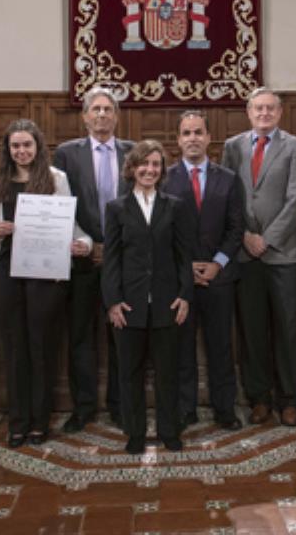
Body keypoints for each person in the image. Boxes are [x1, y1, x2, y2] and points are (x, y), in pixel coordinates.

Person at [0, 119, 90, 447]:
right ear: (8, 149)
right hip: (3, 271)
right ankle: (18, 423)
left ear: (38, 146)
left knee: (40, 348)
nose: (22, 151)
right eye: (16, 146)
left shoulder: (56, 179)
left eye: (27, 145)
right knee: (15, 349)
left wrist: (82, 245)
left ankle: (40, 422)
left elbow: (70, 226)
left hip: (45, 272)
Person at [221, 87, 296, 427]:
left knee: (288, 330)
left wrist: (267, 239)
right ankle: (259, 399)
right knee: (252, 330)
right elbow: (227, 197)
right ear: (249, 112)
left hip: (283, 254)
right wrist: (245, 236)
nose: (264, 114)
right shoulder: (232, 147)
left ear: (280, 112)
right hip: (245, 253)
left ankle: (290, 400)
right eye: (258, 108)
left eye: (271, 108)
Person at [102, 140, 192, 454]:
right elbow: (111, 259)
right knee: (130, 374)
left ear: (162, 170)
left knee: (168, 373)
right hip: (129, 305)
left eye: (156, 164)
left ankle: (169, 431)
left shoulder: (175, 206)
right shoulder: (116, 208)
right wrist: (112, 301)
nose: (150, 170)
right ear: (132, 168)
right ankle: (135, 433)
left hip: (168, 303)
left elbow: (184, 255)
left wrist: (185, 295)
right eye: (144, 164)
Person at [52, 87, 133, 432]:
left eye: (107, 109)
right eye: (95, 110)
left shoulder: (132, 152)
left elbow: (139, 203)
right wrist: (86, 241)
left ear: (116, 116)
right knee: (81, 336)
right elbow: (59, 204)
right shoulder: (67, 155)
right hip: (81, 259)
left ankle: (119, 404)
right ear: (84, 116)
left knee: (122, 334)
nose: (101, 115)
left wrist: (112, 245)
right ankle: (83, 407)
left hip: (123, 259)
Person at [162, 111, 246, 431]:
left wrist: (217, 263)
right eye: (186, 133)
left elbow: (236, 228)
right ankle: (186, 409)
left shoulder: (228, 178)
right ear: (179, 139)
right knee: (182, 348)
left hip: (219, 277)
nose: (193, 138)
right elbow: (162, 231)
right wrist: (185, 267)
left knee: (221, 346)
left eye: (198, 132)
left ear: (209, 138)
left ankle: (225, 408)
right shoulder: (166, 178)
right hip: (180, 280)